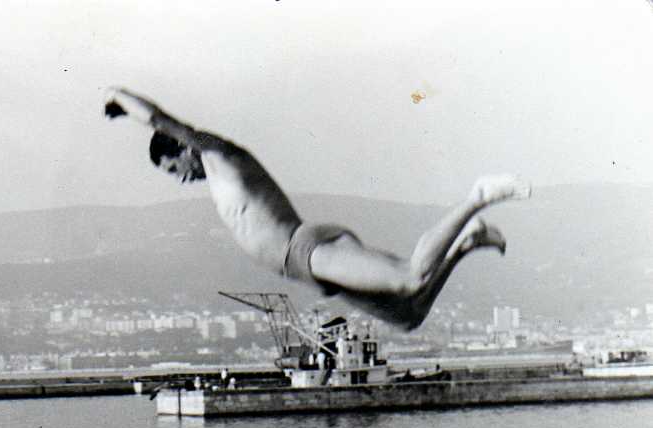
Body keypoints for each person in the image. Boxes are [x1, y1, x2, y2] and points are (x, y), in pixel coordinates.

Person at [103, 88, 530, 330]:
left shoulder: (221, 156)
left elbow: (162, 119)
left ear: (183, 149)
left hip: (307, 249)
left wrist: (119, 97)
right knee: (408, 317)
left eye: (174, 168)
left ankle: (479, 196)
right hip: (307, 268)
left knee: (409, 275)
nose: (179, 179)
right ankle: (467, 242)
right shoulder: (215, 176)